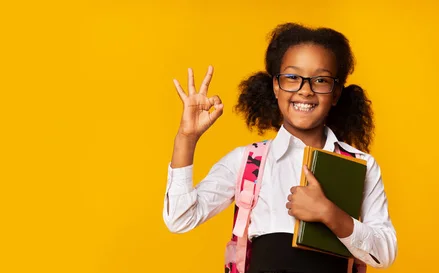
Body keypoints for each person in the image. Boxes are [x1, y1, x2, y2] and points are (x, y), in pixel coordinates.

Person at [163, 23, 397, 273]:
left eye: (320, 80)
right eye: (292, 77)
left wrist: (329, 213)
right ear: (275, 85)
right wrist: (186, 139)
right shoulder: (248, 162)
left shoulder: (361, 166)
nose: (305, 91)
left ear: (336, 93)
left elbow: (385, 254)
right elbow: (180, 219)